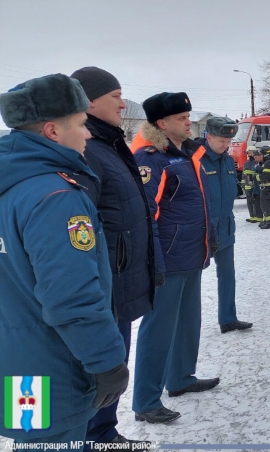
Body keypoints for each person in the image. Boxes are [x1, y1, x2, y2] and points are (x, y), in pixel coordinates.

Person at [0, 74, 128, 446]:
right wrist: (106, 363)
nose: (87, 135)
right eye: (81, 124)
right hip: (57, 365)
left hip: (20, 364)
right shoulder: (56, 196)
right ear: (54, 131)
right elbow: (71, 295)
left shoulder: (10, 185)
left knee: (33, 436)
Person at [70, 67, 155, 448]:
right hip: (98, 293)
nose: (123, 104)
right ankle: (89, 435)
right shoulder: (85, 154)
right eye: (116, 95)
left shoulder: (108, 146)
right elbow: (78, 238)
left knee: (112, 370)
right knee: (40, 407)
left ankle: (103, 434)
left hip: (114, 286)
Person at [131, 92, 219, 424]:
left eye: (188, 116)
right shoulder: (150, 157)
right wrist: (155, 262)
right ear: (162, 123)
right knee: (158, 329)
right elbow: (146, 214)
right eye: (182, 118)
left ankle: (181, 378)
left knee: (188, 322)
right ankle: (145, 400)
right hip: (167, 259)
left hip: (192, 254)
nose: (188, 122)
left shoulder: (184, 153)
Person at [201, 117, 253, 334]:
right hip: (203, 229)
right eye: (222, 140)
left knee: (227, 275)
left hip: (225, 227)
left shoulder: (227, 160)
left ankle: (228, 318)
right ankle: (186, 325)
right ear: (208, 137)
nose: (226, 145)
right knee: (193, 279)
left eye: (229, 141)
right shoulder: (197, 160)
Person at [256, 145, 270, 229]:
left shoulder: (269, 163)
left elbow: (266, 176)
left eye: (261, 154)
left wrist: (256, 177)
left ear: (264, 155)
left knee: (267, 204)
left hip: (267, 186)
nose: (260, 156)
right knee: (264, 204)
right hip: (265, 186)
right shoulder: (267, 162)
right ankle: (266, 220)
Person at [243, 145, 261, 223]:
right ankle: (252, 216)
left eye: (252, 152)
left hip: (255, 184)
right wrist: (243, 184)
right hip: (247, 185)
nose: (250, 154)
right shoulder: (246, 163)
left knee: (256, 200)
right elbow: (244, 175)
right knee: (249, 200)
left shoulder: (257, 162)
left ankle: (257, 216)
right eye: (249, 152)